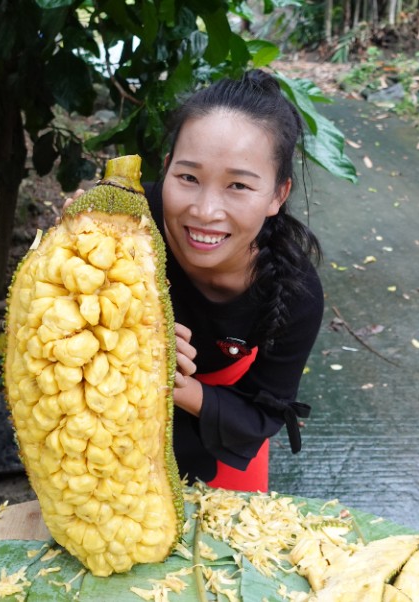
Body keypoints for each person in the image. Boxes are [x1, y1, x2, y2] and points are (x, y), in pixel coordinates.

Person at [151, 69, 324, 493]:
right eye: (188, 177)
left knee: (231, 540)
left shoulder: (297, 293)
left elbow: (262, 412)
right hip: (120, 396)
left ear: (277, 196)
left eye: (238, 186)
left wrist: (171, 382)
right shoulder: (124, 223)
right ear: (167, 167)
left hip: (227, 400)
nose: (205, 211)